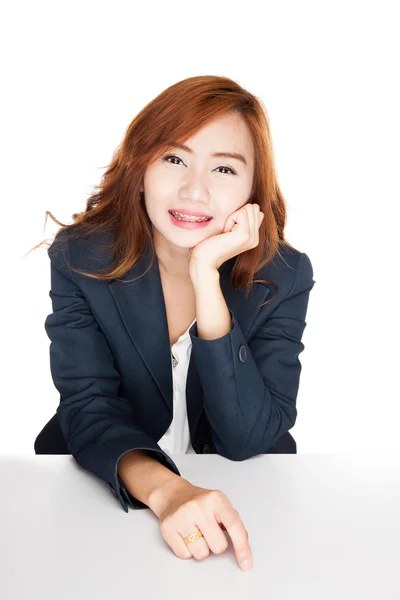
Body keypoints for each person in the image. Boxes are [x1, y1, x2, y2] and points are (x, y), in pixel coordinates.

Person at [32, 75, 316, 572]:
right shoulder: (82, 258)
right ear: (140, 167)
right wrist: (170, 492)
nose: (194, 189)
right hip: (100, 500)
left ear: (253, 188)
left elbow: (250, 438)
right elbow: (89, 409)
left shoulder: (284, 275)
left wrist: (207, 279)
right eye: (173, 159)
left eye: (224, 168)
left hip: (253, 509)